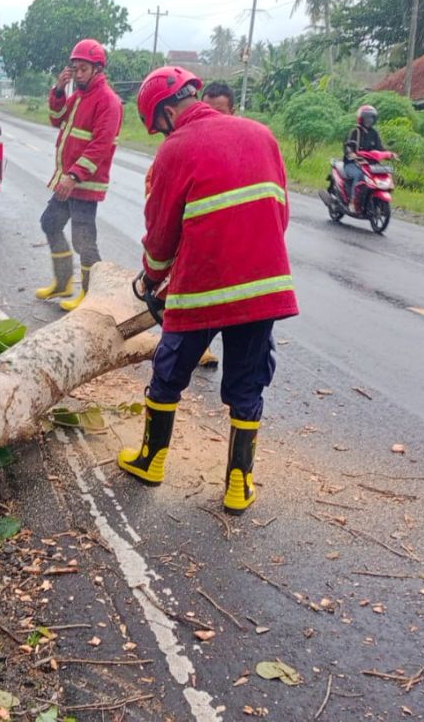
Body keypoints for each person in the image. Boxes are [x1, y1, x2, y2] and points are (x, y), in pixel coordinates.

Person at [118, 66, 298, 515]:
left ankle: (151, 461)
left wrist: (151, 279)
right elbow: (280, 213)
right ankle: (239, 484)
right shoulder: (262, 135)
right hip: (263, 286)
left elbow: (160, 236)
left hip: (202, 287)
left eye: (157, 126)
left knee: (169, 371)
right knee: (248, 380)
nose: (159, 134)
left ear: (162, 113)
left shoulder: (174, 150)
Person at [34, 38, 124, 312]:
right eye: (75, 68)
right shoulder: (79, 95)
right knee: (50, 223)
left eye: (83, 68)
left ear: (98, 69)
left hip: (83, 183)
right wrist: (59, 90)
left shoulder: (108, 101)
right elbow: (56, 118)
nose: (78, 73)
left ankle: (91, 294)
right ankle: (63, 282)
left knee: (84, 240)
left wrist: (73, 176)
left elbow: (100, 146)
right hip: (67, 181)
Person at [343, 104, 384, 209]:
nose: (369, 120)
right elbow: (348, 145)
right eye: (367, 118)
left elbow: (380, 148)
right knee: (359, 175)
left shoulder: (374, 133)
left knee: (381, 174)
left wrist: (389, 154)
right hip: (352, 163)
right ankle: (352, 201)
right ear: (361, 118)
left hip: (369, 164)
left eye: (371, 118)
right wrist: (351, 153)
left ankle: (371, 199)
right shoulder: (355, 132)